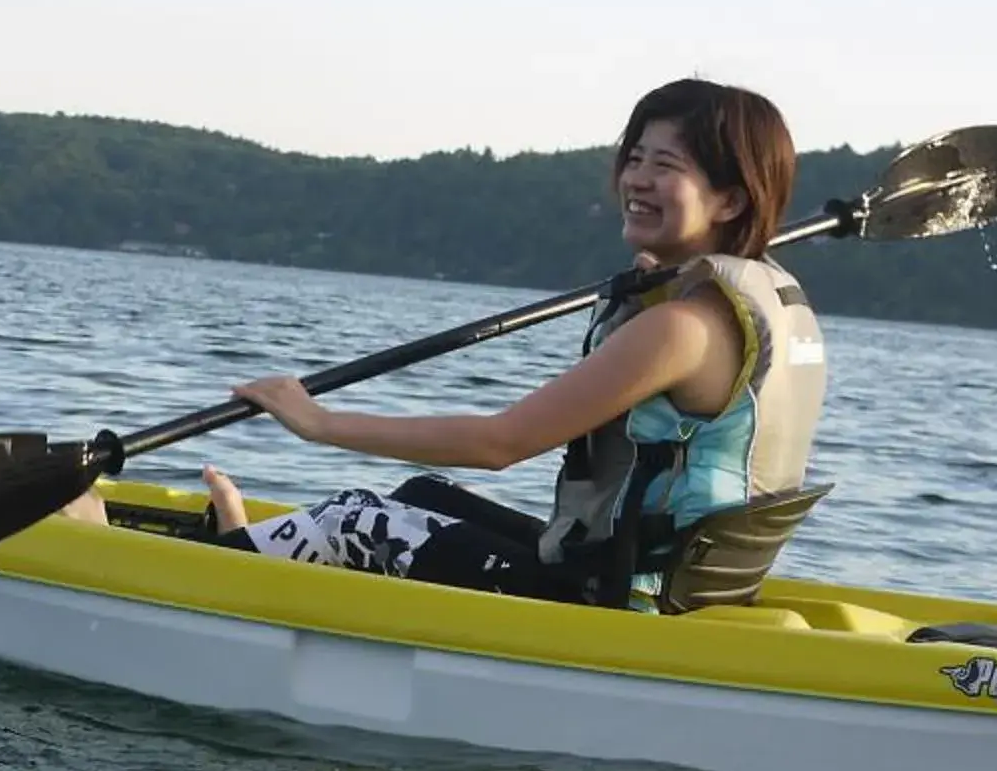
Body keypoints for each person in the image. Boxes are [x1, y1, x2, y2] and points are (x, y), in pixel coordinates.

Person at [198, 78, 828, 609]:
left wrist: (320, 422)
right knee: (420, 496)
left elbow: (500, 444)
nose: (636, 179)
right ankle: (248, 551)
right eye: (635, 158)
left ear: (731, 200)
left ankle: (219, 570)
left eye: (666, 166)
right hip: (666, 581)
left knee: (355, 520)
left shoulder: (680, 329)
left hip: (619, 600)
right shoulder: (753, 300)